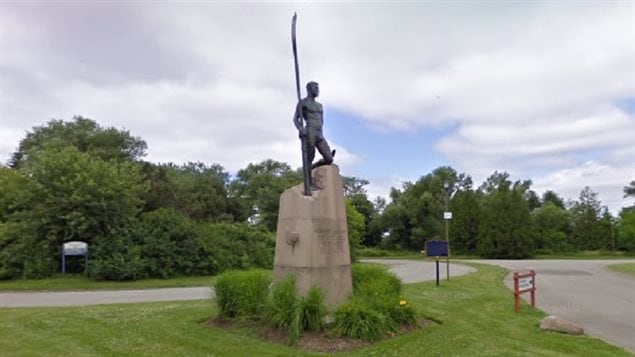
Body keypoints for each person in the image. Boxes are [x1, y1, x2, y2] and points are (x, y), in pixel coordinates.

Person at [292, 81, 335, 170]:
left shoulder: (320, 105)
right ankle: (308, 177)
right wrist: (300, 129)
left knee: (329, 158)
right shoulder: (303, 102)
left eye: (318, 88)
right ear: (309, 89)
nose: (317, 90)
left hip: (319, 132)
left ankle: (315, 166)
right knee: (310, 156)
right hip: (310, 130)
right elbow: (296, 119)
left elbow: (321, 120)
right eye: (315, 88)